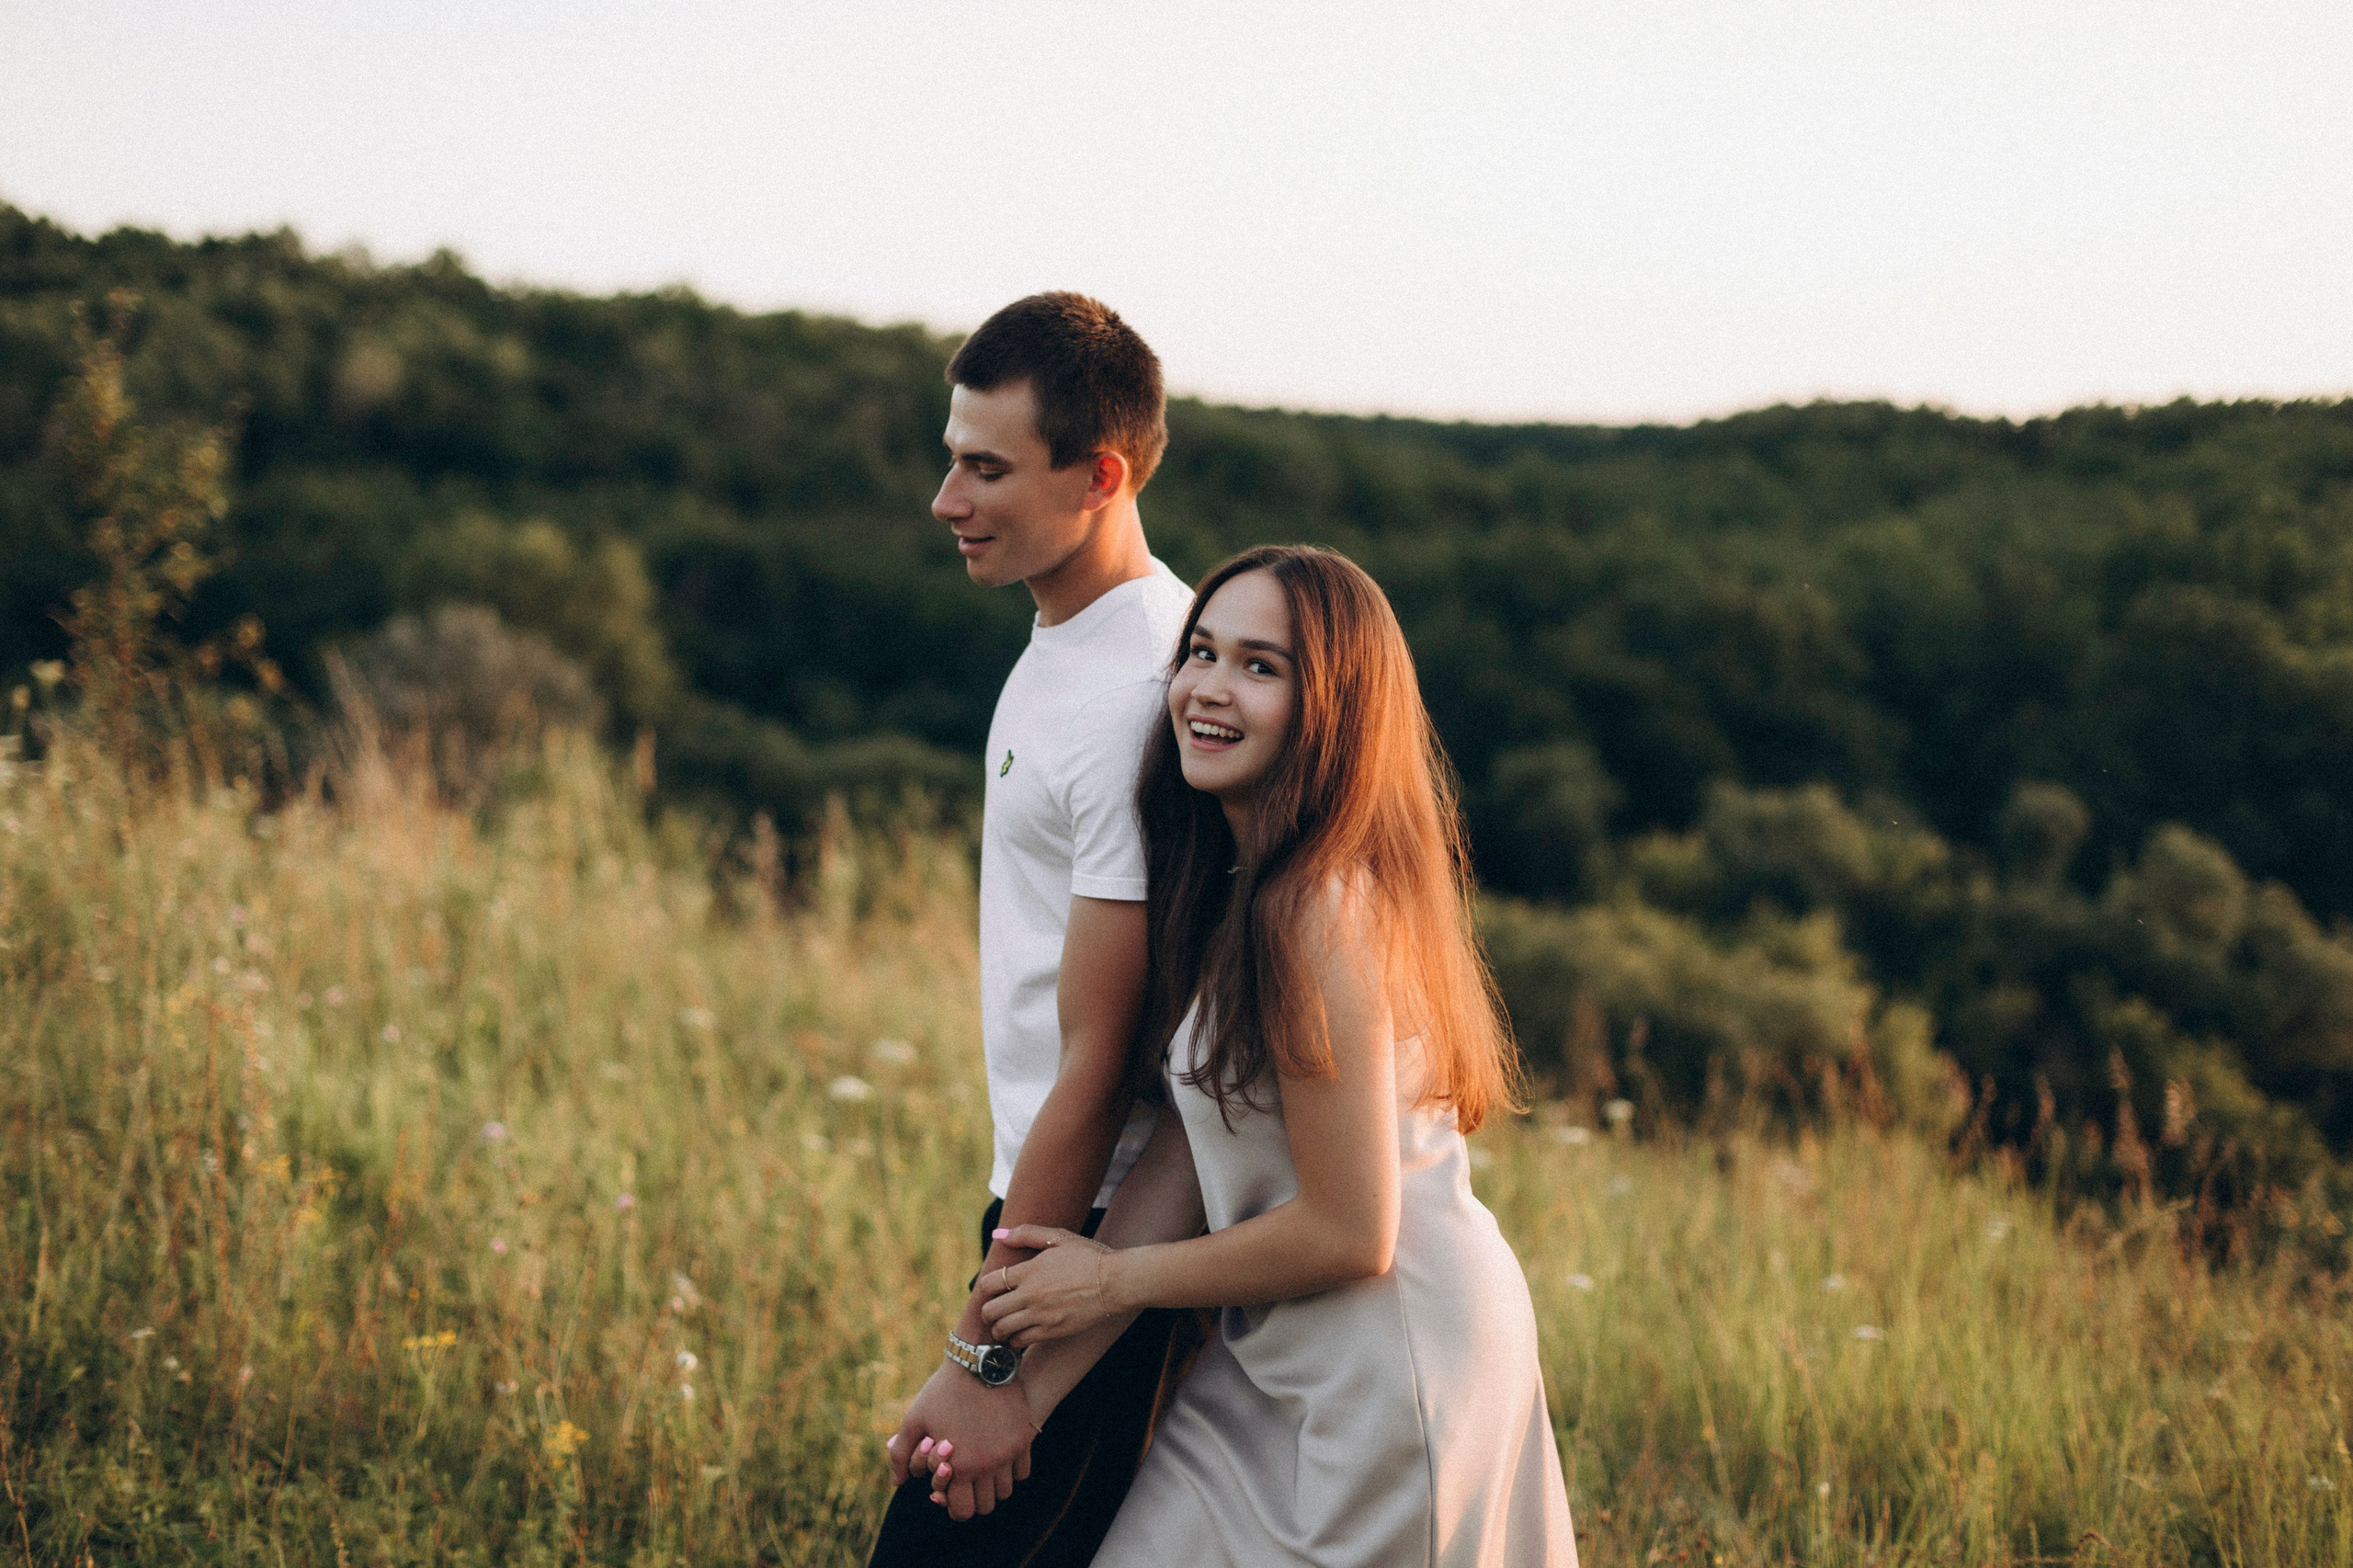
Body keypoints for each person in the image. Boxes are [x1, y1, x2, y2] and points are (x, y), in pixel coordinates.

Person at [945, 545, 1580, 1564]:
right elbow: (1184, 1162)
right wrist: (1013, 1394)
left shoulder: (1320, 908)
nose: (1208, 687)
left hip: (1394, 1362)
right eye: (1200, 651)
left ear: (1332, 707)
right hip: (1266, 1358)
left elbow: (1351, 1230)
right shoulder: (1243, 890)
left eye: (1260, 666)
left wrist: (1113, 1281)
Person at [869, 293, 1199, 1565]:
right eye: (953, 458)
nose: (946, 499)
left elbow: (1104, 1061)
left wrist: (987, 1354)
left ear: (1100, 476)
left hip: (1092, 1237)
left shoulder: (1137, 693)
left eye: (986, 469)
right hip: (1045, 1213)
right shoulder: (1069, 635)